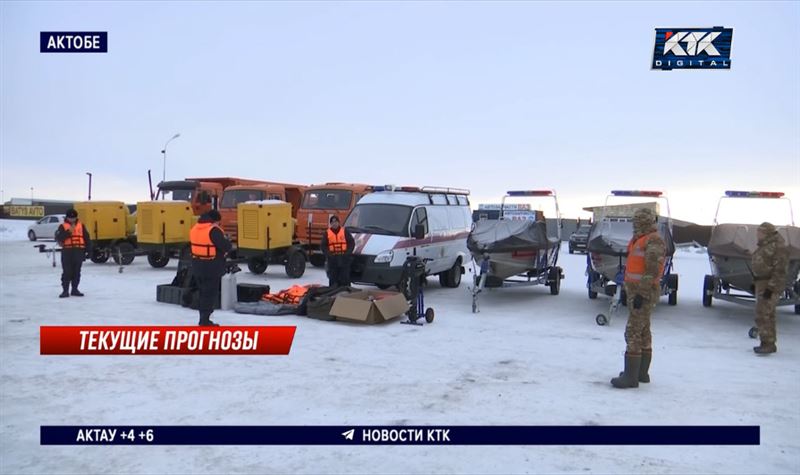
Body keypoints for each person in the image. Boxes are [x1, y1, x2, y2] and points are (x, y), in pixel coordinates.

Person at [611, 207, 666, 389]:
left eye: (637, 220)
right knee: (643, 331)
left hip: (644, 292)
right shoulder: (640, 239)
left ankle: (630, 377)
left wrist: (642, 293)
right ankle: (640, 373)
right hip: (636, 290)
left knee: (633, 331)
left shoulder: (653, 240)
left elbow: (652, 270)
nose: (634, 223)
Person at [751, 222, 789, 354]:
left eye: (760, 232)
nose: (757, 235)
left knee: (763, 314)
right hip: (762, 283)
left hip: (769, 284)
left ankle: (767, 344)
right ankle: (768, 342)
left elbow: (780, 271)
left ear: (766, 233)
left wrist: (770, 288)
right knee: (767, 313)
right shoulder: (765, 245)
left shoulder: (777, 247)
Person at [189, 210, 232, 326]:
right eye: (218, 222)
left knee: (203, 292)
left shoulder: (195, 228)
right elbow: (226, 246)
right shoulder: (213, 230)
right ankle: (204, 321)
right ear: (214, 220)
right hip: (211, 267)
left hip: (197, 265)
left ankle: (203, 318)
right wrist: (228, 242)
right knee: (209, 294)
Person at [55, 208, 92, 298]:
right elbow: (59, 238)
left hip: (78, 251)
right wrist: (68, 232)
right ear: (67, 218)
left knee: (77, 272)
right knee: (67, 272)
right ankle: (65, 291)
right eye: (70, 218)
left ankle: (75, 289)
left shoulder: (81, 226)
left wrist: (89, 251)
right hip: (67, 252)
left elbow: (87, 238)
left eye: (74, 218)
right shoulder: (62, 226)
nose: (72, 219)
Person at [320, 215, 355, 288]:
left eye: (336, 222)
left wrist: (347, 253)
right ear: (330, 224)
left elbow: (351, 243)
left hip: (344, 258)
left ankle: (346, 292)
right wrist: (329, 254)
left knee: (345, 277)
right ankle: (333, 292)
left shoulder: (345, 231)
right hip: (332, 258)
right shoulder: (327, 233)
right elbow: (323, 246)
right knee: (333, 278)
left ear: (339, 223)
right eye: (332, 222)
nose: (334, 223)